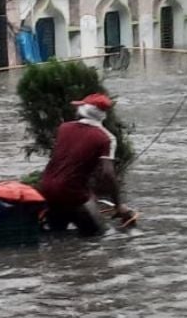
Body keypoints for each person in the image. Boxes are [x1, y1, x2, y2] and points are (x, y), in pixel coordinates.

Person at [37, 93, 131, 236]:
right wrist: (118, 205)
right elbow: (107, 174)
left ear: (83, 110)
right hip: (74, 195)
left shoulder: (64, 128)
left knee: (56, 236)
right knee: (101, 236)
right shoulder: (106, 138)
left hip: (47, 189)